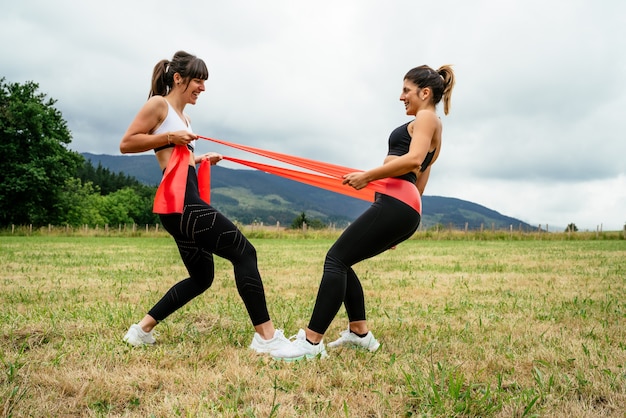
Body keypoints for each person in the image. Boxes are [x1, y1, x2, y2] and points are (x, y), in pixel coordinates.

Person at [271, 65, 456, 361]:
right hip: (404, 206)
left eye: (406, 90)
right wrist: (401, 222)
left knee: (335, 260)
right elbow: (423, 175)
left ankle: (310, 342)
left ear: (425, 93)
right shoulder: (435, 125)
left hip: (397, 203)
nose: (401, 97)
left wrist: (369, 176)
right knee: (344, 262)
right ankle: (359, 333)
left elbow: (414, 160)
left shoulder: (426, 116)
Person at [119, 51, 290, 354]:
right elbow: (127, 142)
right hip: (181, 202)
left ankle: (141, 330)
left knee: (201, 278)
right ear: (178, 78)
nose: (203, 87)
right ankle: (266, 338)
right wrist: (171, 137)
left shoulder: (185, 118)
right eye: (198, 80)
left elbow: (174, 160)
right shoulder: (159, 105)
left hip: (182, 204)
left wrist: (199, 158)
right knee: (245, 253)